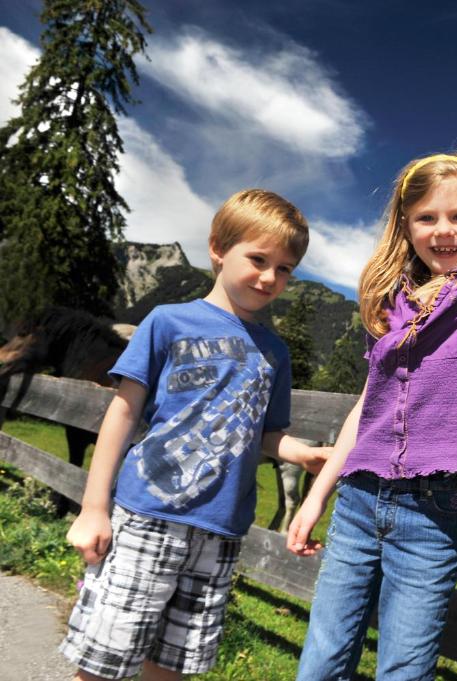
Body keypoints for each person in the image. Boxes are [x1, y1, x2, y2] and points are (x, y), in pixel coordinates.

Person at [60, 189, 331, 681]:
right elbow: (123, 413)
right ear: (218, 249)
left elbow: (266, 433)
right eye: (258, 259)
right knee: (103, 662)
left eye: (285, 269)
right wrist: (94, 508)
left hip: (221, 533)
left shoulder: (275, 352)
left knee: (173, 667)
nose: (270, 278)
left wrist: (301, 453)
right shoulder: (168, 322)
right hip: (147, 516)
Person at [288, 152, 457, 680]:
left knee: (405, 670)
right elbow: (366, 409)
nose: (444, 230)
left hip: (432, 514)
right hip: (356, 502)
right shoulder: (390, 303)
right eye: (426, 217)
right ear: (406, 225)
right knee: (321, 662)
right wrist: (317, 496)